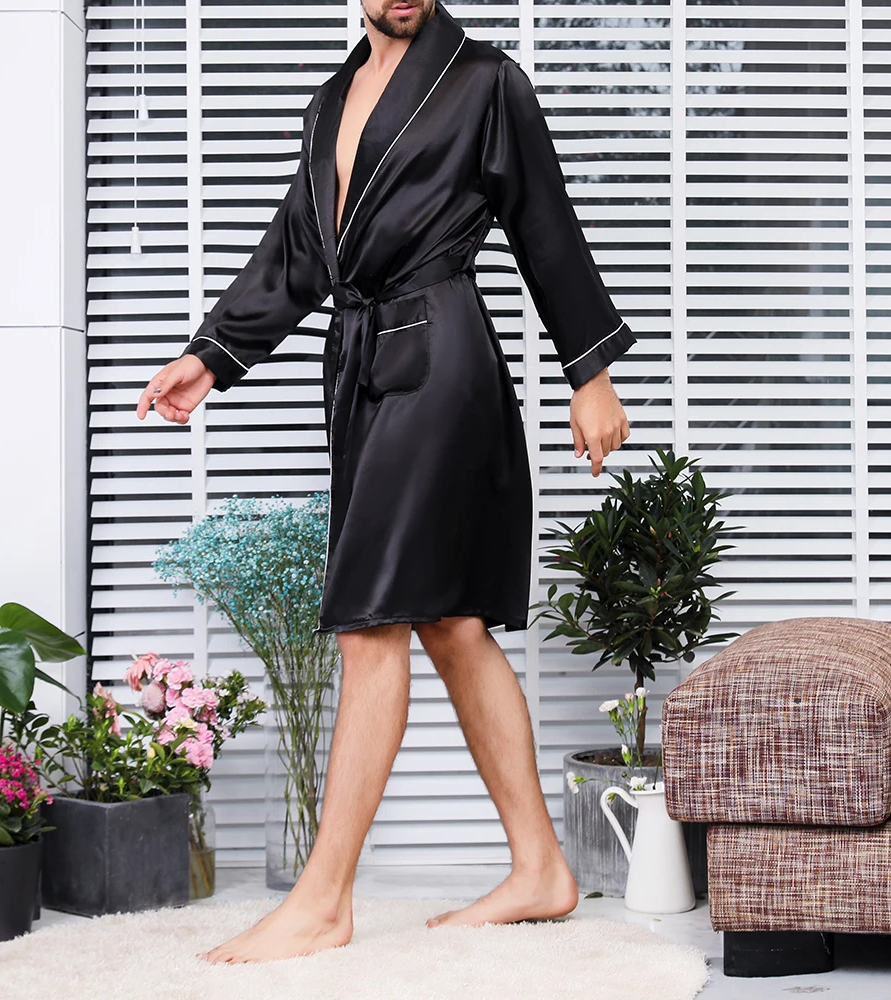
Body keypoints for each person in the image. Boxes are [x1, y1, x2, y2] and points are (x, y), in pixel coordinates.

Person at [136, 0, 634, 965]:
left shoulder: (484, 80)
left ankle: (323, 900)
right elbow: (297, 249)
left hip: (441, 363)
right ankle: (541, 868)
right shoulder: (330, 101)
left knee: (371, 625)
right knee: (450, 626)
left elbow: (545, 221)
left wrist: (592, 374)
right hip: (362, 368)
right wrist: (211, 355)